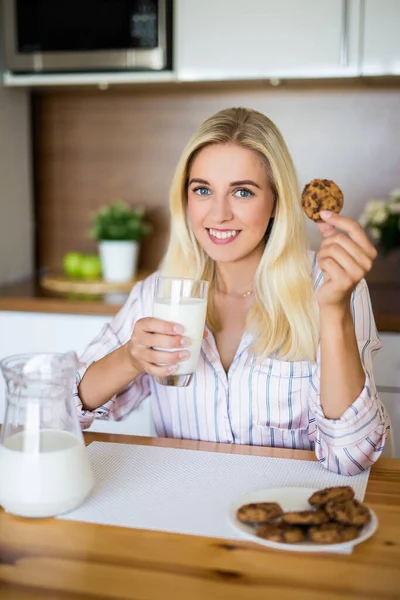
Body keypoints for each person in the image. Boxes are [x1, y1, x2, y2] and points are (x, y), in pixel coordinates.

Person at [74, 107, 389, 475]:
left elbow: (351, 457)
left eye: (242, 192)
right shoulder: (158, 294)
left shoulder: (332, 285)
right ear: (186, 198)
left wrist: (334, 312)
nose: (218, 214)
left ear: (276, 202)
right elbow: (62, 410)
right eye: (203, 190)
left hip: (288, 514)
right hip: (181, 507)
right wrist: (129, 358)